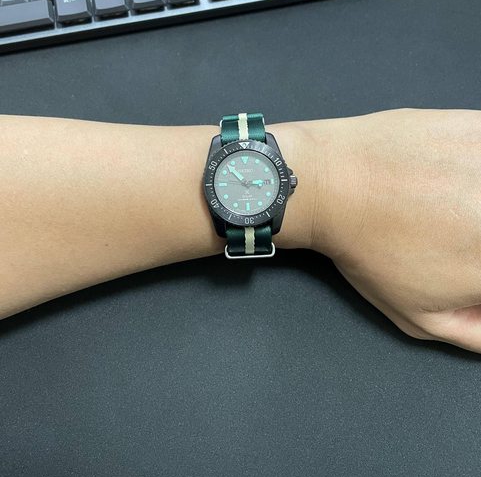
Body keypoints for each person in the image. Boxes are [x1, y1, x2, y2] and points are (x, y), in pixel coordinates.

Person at [1, 107, 481, 354]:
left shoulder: (271, 177)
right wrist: (333, 179)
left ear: (285, 181)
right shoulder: (267, 179)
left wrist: (331, 164)